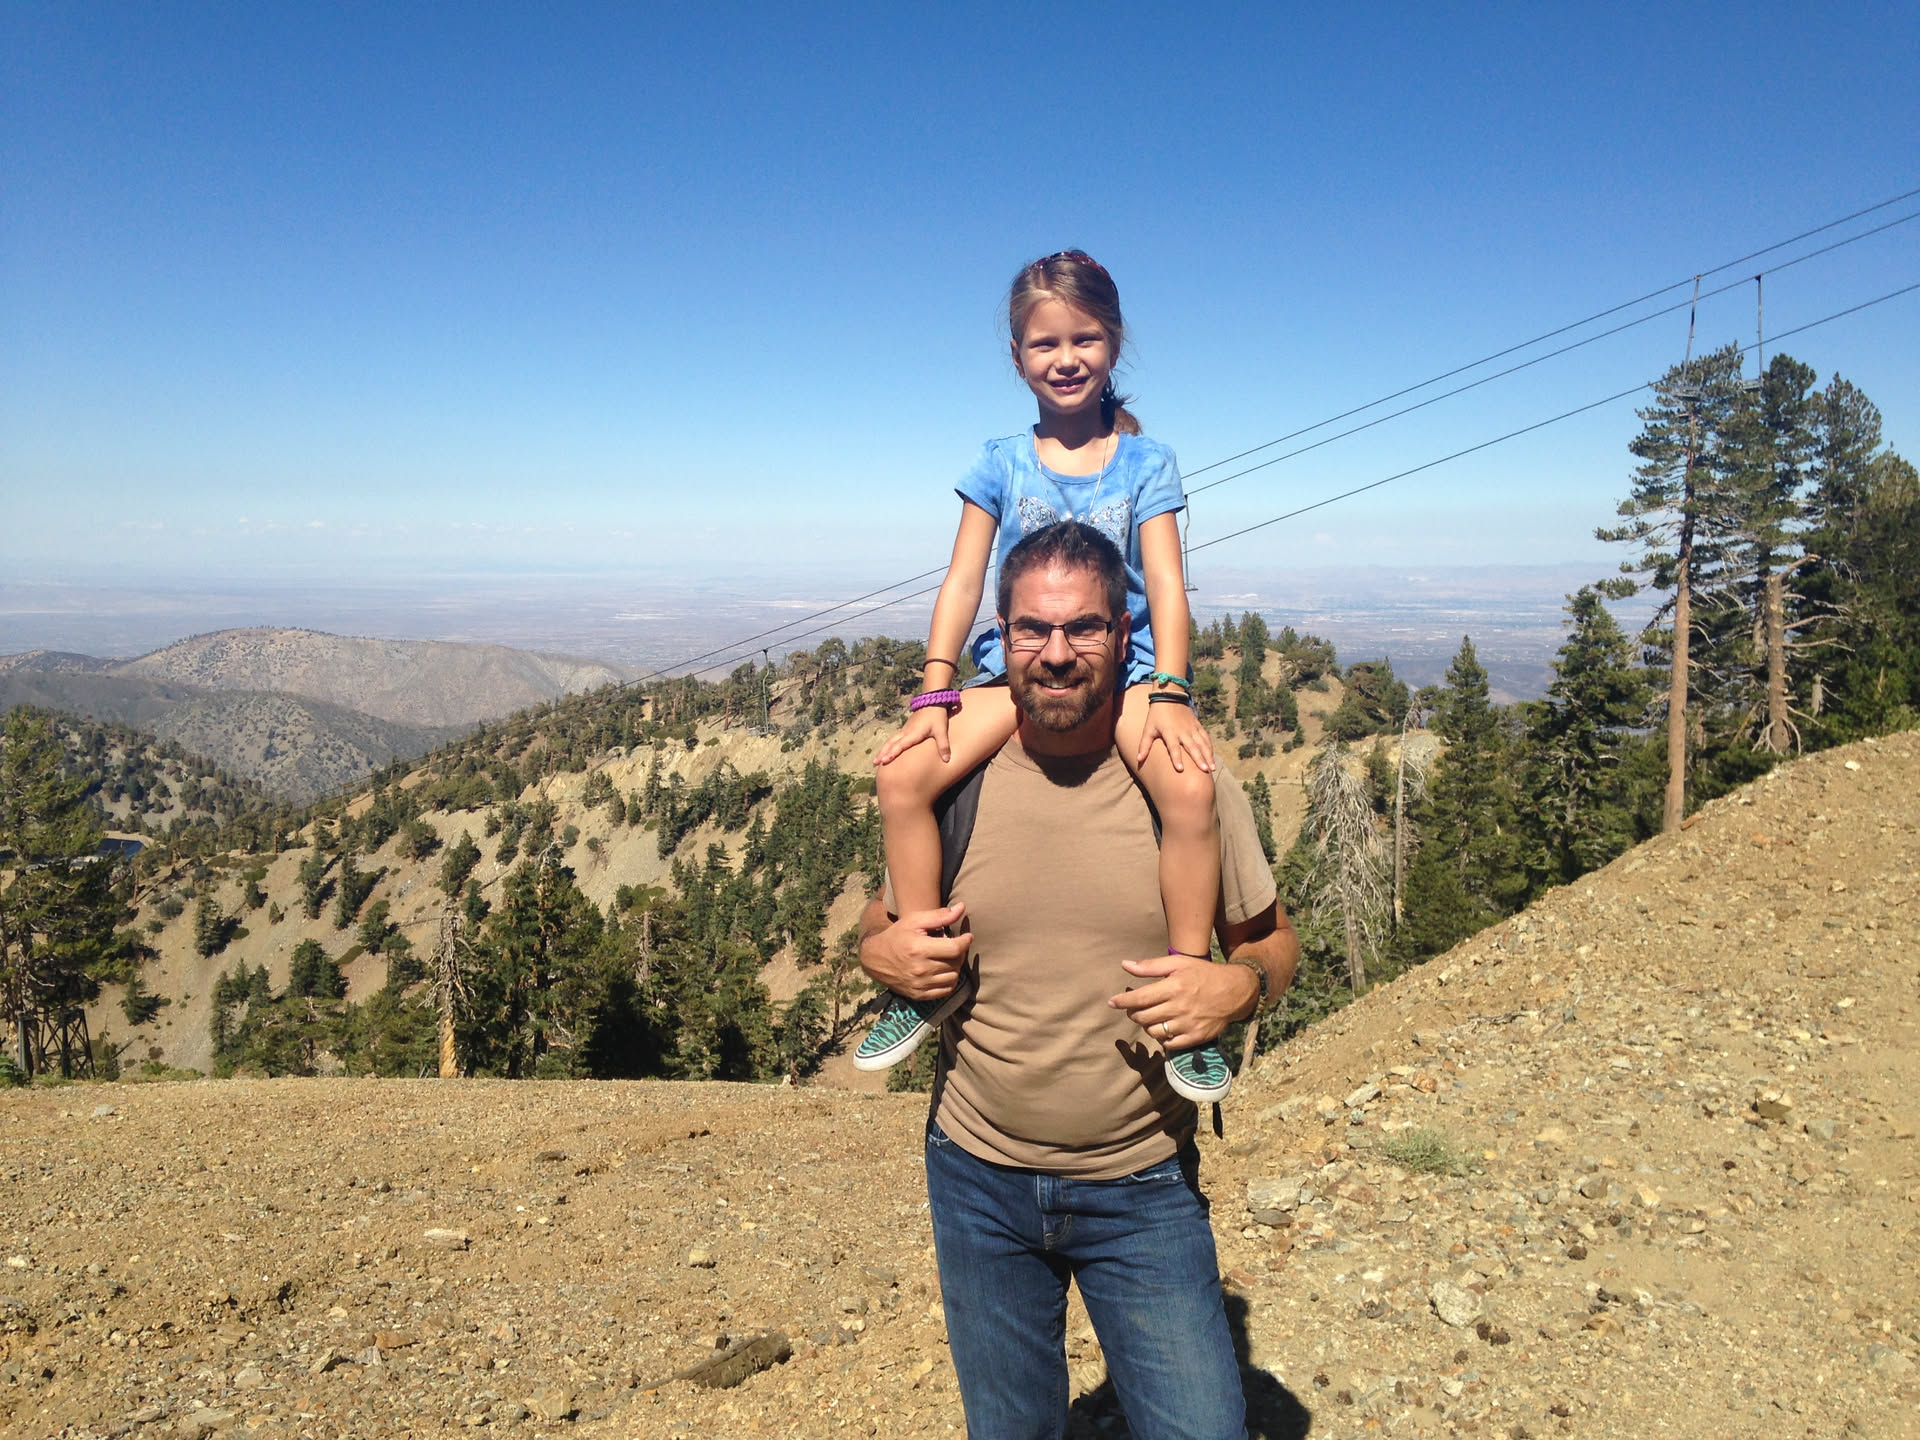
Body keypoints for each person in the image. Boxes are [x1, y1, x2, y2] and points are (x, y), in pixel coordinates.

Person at [859, 521, 1300, 1440]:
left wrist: (1239, 987)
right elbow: (883, 923)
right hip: (976, 1180)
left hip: (1142, 1184)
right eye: (1032, 629)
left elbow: (1273, 943)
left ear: (1124, 633)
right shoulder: (955, 778)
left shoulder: (1184, 779)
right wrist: (877, 954)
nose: (1056, 654)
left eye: (1084, 628)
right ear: (1001, 636)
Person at [860, 249, 1230, 1102]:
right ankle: (925, 974)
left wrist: (1171, 689)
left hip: (1122, 676)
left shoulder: (1147, 463)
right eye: (1045, 344)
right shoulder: (998, 461)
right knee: (903, 776)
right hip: (1013, 678)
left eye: (1084, 339)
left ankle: (1185, 994)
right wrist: (936, 688)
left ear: (1114, 343)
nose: (1066, 359)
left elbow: (1167, 584)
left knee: (1189, 791)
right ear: (1018, 356)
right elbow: (962, 580)